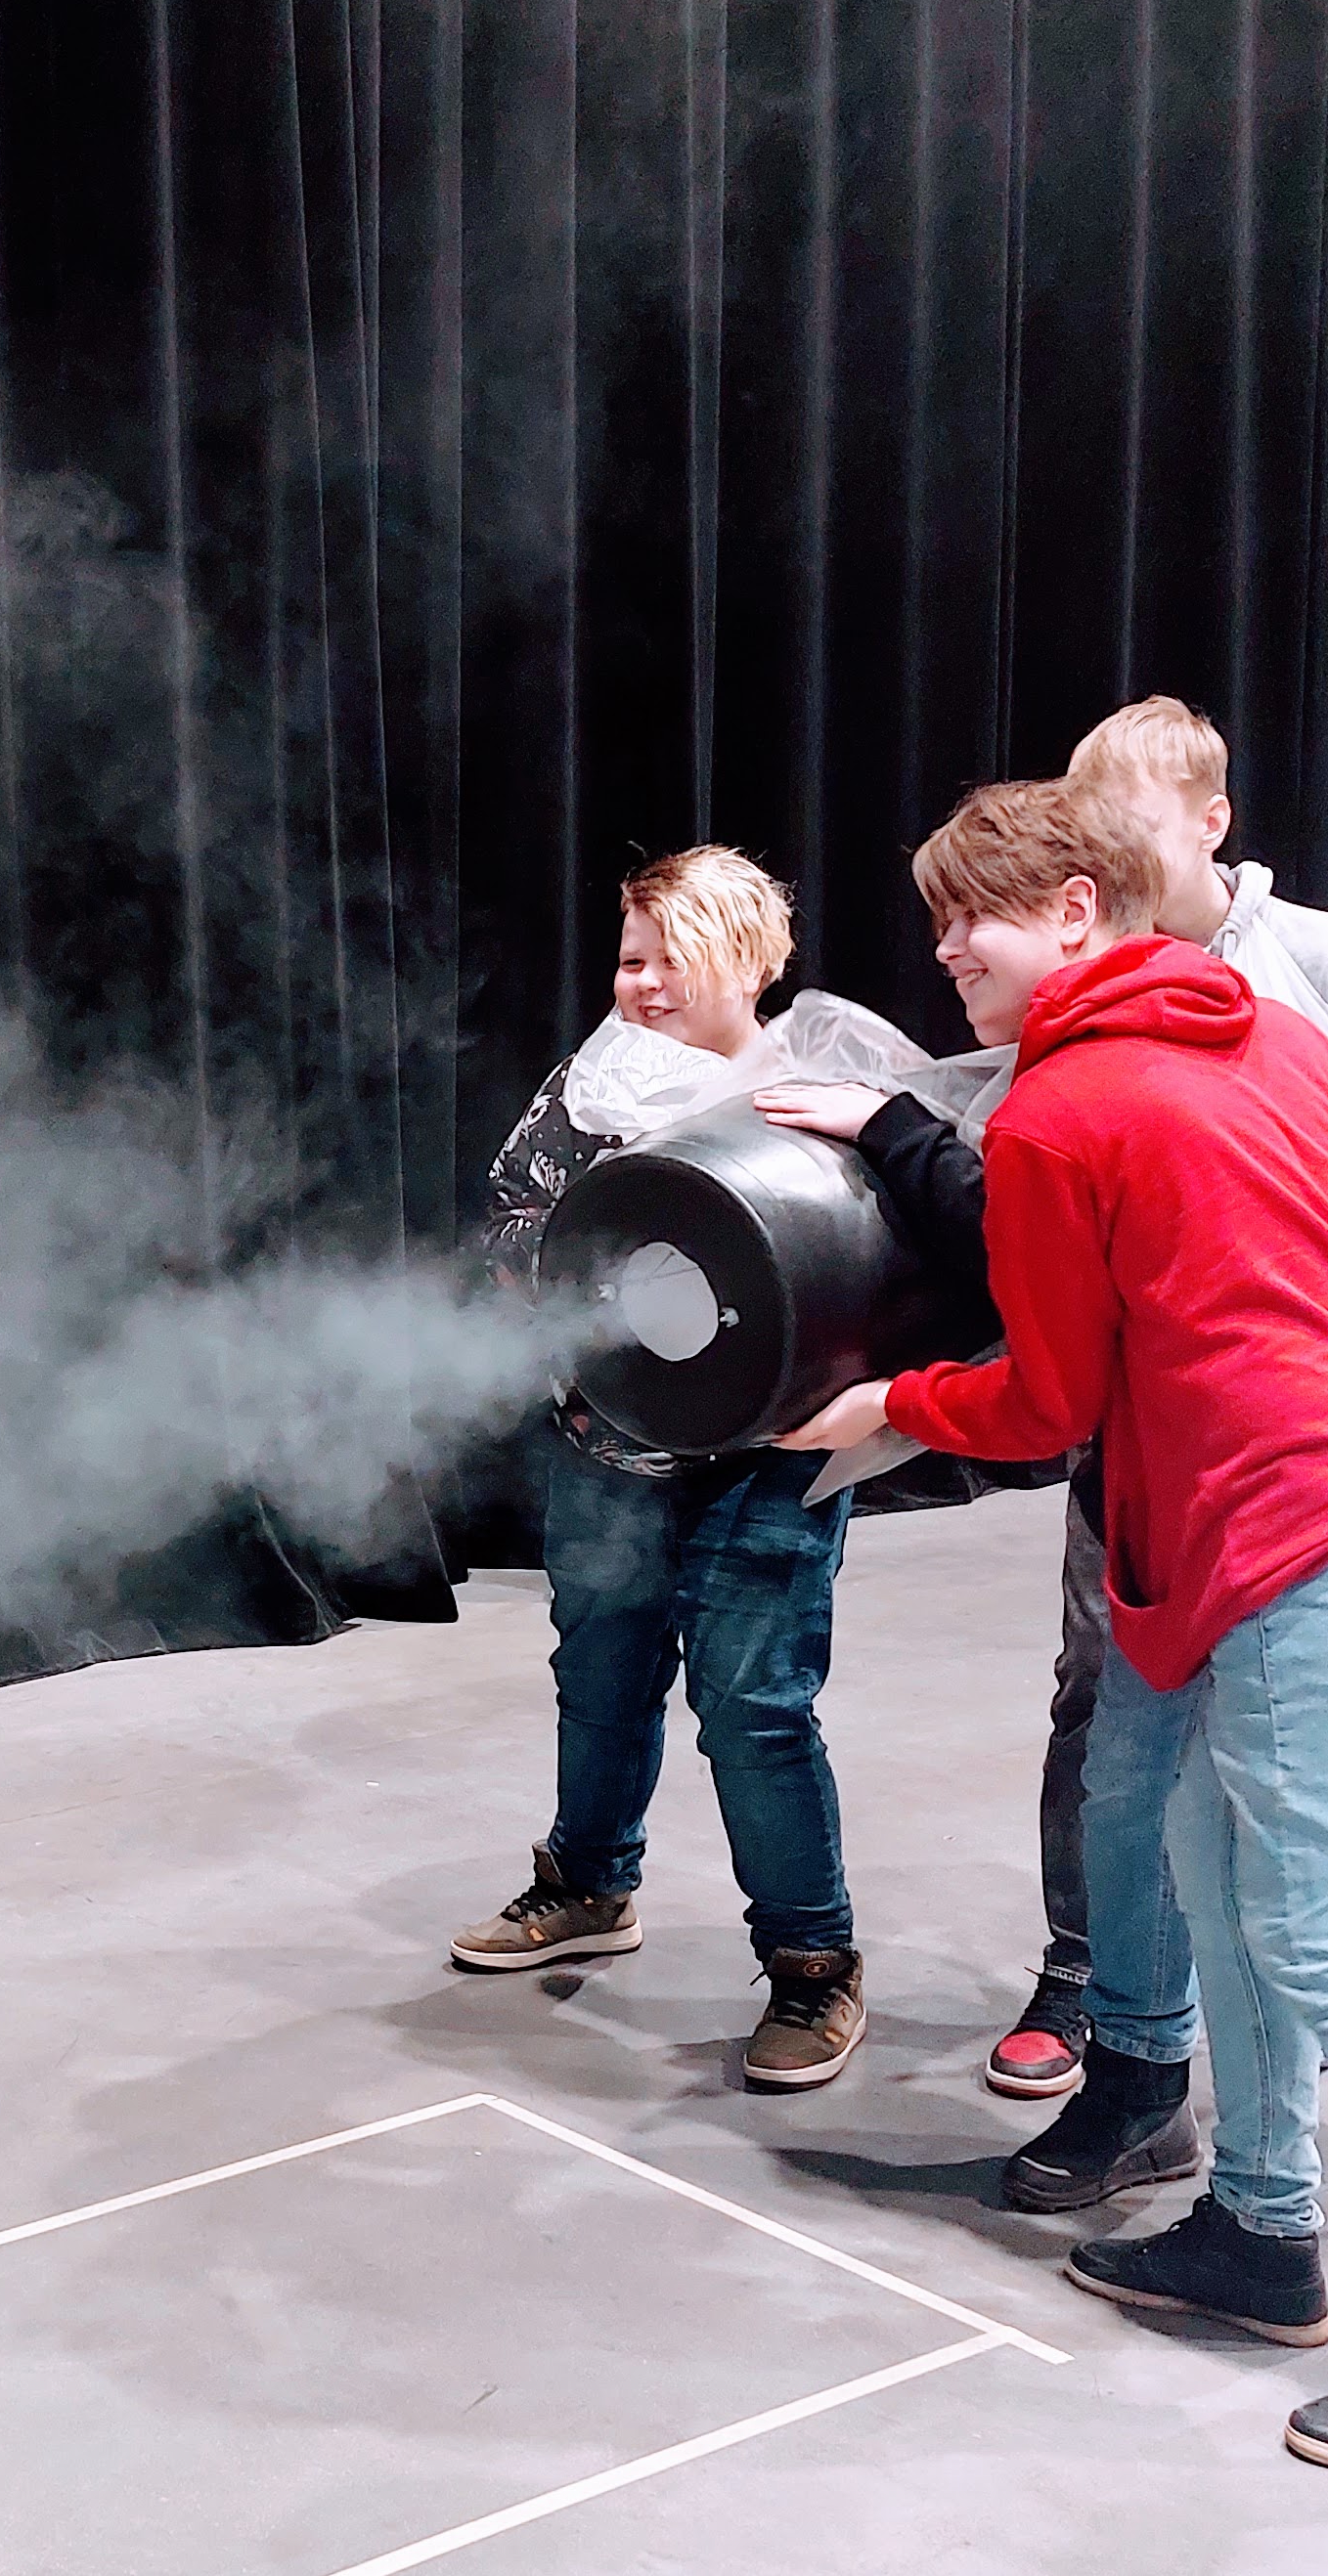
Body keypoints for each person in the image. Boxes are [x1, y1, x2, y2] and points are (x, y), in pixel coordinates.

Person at [784, 781, 1328, 2478]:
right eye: (934, 919)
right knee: (1222, 1883)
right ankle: (1258, 2230)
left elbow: (1048, 1397)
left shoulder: (1058, 1114)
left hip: (1309, 1531)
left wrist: (885, 1407)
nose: (943, 950)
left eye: (972, 914)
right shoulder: (1275, 1040)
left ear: (1077, 909)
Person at [455, 848, 866, 2092]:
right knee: (600, 1674)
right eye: (629, 958)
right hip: (609, 1443)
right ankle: (587, 1882)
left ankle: (811, 1961)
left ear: (745, 958)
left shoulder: (813, 1089)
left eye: (668, 959)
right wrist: (588, 1233)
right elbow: (508, 1218)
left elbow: (874, 1267)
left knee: (752, 1707)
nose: (639, 984)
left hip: (770, 1460)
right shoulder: (589, 1084)